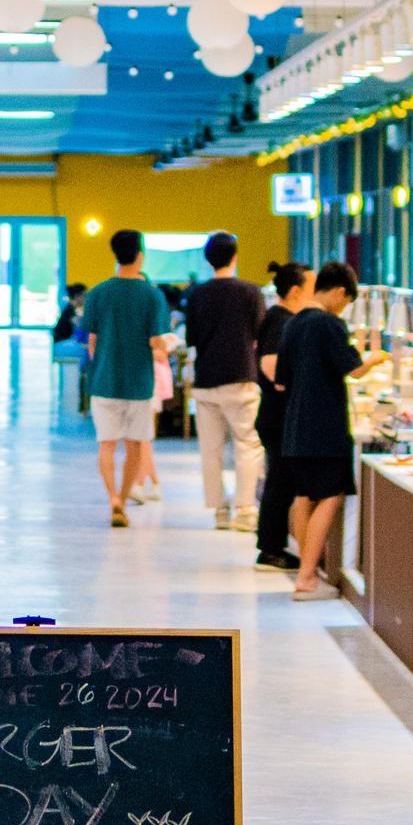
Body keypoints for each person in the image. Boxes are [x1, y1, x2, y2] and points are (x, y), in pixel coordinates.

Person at [274, 259, 380, 600]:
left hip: (295, 427)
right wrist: (377, 358)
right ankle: (307, 578)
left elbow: (280, 379)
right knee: (330, 496)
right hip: (324, 428)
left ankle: (307, 571)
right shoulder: (329, 324)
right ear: (338, 292)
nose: (344, 308)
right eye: (346, 301)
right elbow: (355, 369)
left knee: (303, 496)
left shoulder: (293, 323)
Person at [79, 228, 171, 529]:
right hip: (138, 383)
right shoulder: (152, 295)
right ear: (140, 255)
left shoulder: (98, 293)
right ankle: (124, 494)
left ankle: (112, 499)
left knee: (106, 445)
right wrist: (165, 345)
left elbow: (91, 341)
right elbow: (156, 340)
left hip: (104, 381)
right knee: (135, 445)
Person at [184, 231, 267, 530]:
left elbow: (192, 338)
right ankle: (244, 509)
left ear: (208, 260)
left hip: (206, 379)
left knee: (211, 449)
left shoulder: (197, 294)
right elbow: (260, 335)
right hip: (240, 376)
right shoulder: (251, 292)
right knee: (247, 444)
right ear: (235, 257)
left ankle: (219, 509)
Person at [251, 262, 311, 571]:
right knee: (280, 482)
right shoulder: (281, 320)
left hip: (277, 415)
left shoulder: (282, 318)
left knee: (280, 480)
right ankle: (270, 549)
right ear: (296, 291)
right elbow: (270, 364)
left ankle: (272, 545)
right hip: (278, 416)